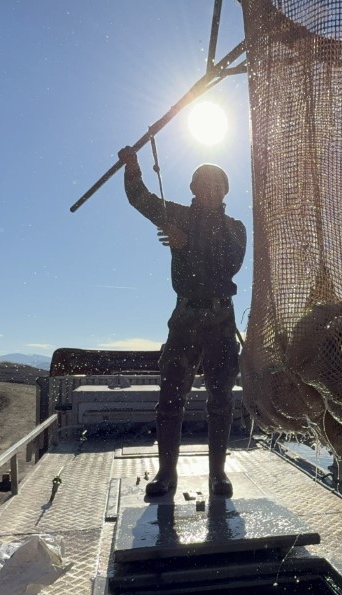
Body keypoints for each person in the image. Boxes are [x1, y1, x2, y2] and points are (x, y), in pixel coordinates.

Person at [118, 145, 246, 498]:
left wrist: (185, 244)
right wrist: (133, 168)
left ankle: (217, 474)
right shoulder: (176, 215)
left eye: (218, 185)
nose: (212, 190)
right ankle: (166, 474)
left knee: (221, 399)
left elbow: (226, 266)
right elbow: (140, 199)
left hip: (221, 320)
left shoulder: (236, 229)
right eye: (205, 184)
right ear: (193, 189)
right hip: (185, 319)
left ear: (225, 192)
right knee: (171, 397)